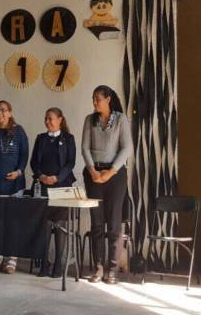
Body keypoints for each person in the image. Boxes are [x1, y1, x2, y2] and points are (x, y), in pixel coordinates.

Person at [82, 85, 133, 284]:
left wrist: (110, 172)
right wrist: (93, 171)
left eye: (98, 99)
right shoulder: (90, 119)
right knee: (96, 224)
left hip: (115, 176)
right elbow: (85, 148)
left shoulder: (121, 119)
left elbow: (127, 148)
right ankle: (98, 267)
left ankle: (112, 269)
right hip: (93, 175)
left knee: (113, 224)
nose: (94, 102)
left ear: (108, 99)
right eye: (93, 99)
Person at [0, 100, 29, 274]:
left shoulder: (19, 131)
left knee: (13, 221)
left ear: (10, 112)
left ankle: (12, 256)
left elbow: (24, 155)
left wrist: (18, 172)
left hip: (15, 184)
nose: (0, 113)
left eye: (3, 110)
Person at [30, 107, 76, 278]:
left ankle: (58, 265)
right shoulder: (41, 138)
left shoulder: (68, 139)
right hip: (43, 186)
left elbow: (70, 163)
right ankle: (44, 264)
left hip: (62, 185)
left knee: (60, 224)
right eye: (46, 119)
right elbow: (34, 162)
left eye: (50, 118)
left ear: (60, 120)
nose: (47, 121)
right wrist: (41, 176)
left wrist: (57, 178)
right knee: (44, 224)